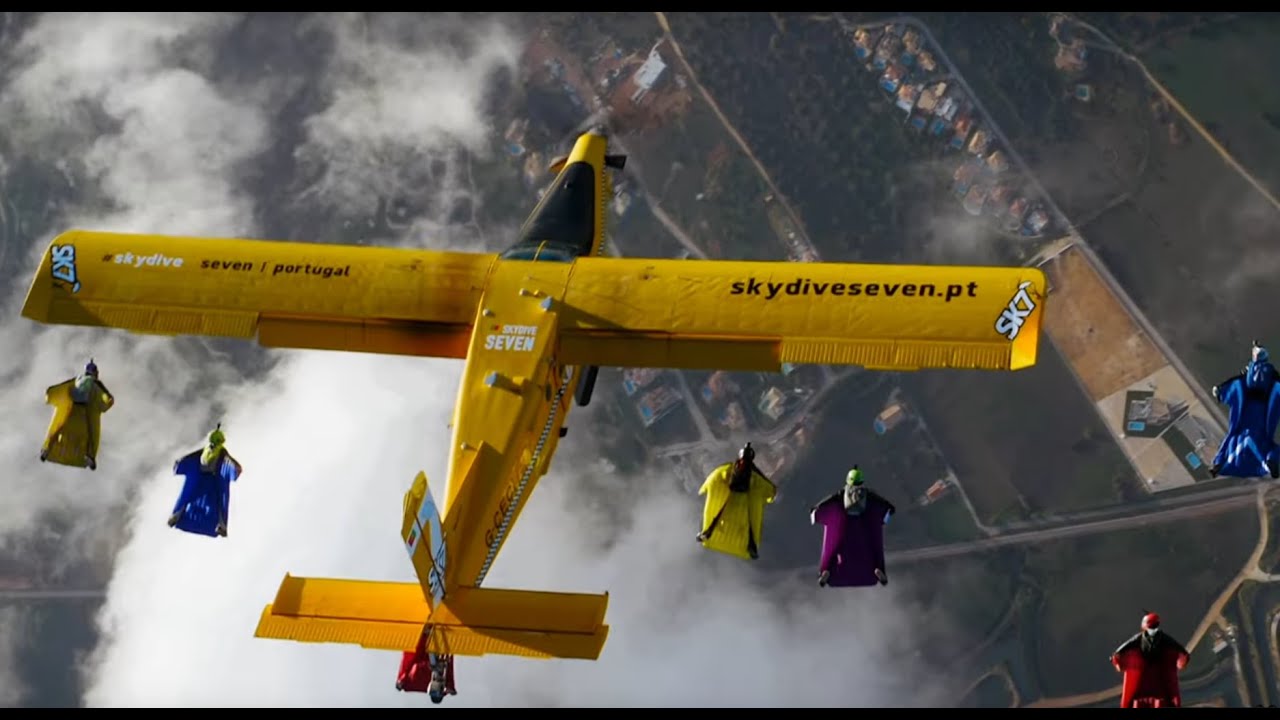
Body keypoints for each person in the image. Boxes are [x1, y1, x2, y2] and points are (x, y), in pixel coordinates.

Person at [811, 466, 896, 587]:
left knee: (832, 549)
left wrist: (815, 510)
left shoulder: (840, 495)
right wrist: (887, 512)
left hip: (841, 527)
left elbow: (825, 503)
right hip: (865, 527)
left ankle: (826, 570)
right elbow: (888, 506)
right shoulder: (869, 495)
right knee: (875, 548)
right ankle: (879, 569)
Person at [1210, 340, 1280, 479]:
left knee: (1229, 440)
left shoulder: (1242, 380)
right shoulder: (1273, 380)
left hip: (1243, 421)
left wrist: (1219, 392)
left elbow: (1221, 391)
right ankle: (1269, 461)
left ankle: (1218, 464)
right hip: (1262, 420)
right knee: (1270, 447)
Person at [696, 442, 777, 560]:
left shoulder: (720, 474)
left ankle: (707, 533)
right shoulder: (759, 484)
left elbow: (703, 489)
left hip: (713, 535)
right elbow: (772, 494)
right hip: (744, 544)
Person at [169, 424, 243, 538]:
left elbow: (178, 466)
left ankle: (177, 517)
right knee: (196, 501)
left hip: (205, 493)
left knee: (198, 502)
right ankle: (220, 526)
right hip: (205, 492)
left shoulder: (209, 457)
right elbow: (236, 470)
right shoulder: (218, 458)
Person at [40, 359, 115, 470]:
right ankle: (89, 456)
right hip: (80, 413)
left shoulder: (78, 382)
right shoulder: (95, 386)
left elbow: (53, 392)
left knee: (58, 428)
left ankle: (47, 449)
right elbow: (107, 399)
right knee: (90, 433)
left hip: (74, 411)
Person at [1110, 612, 1189, 708]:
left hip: (1158, 669)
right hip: (1144, 670)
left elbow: (1175, 645)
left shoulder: (1162, 637)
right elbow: (1127, 645)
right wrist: (1117, 654)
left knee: (1161, 693)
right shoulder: (1141, 637)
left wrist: (1184, 654)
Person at [396, 630, 457, 703]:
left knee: (415, 653)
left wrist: (401, 681)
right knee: (444, 660)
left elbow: (408, 664)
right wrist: (450, 688)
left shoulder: (414, 684)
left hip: (422, 649)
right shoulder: (446, 684)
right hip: (437, 649)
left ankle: (426, 634)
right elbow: (449, 671)